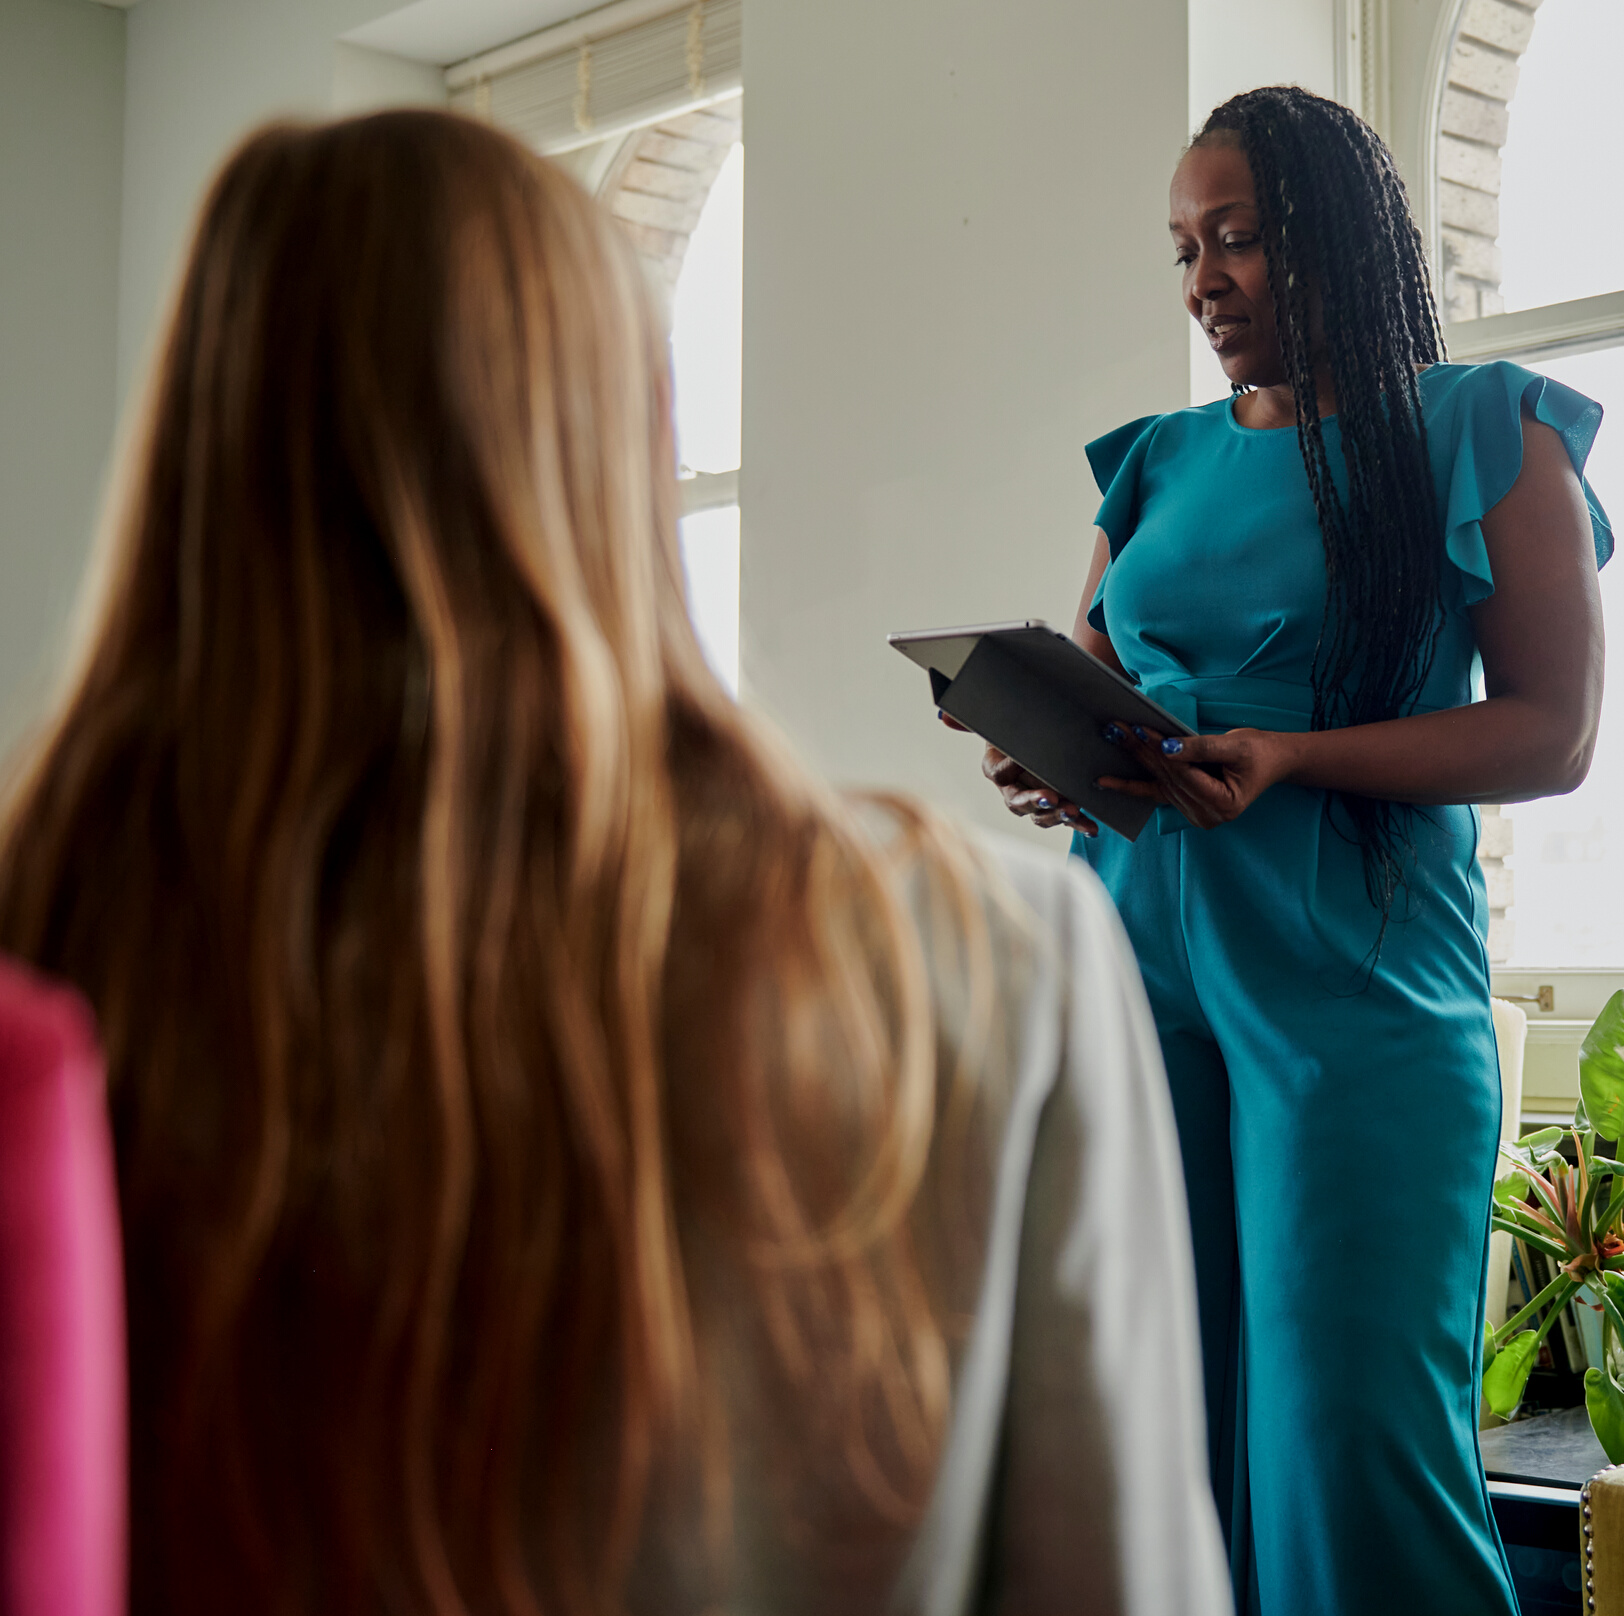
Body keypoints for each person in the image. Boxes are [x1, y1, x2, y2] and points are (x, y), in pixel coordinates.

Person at [0, 109, 1230, 1616]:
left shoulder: (48, 942)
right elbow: (1116, 1580)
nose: (1207, 276)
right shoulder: (991, 954)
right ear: (628, 441)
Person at [957, 85, 1612, 1615]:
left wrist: (1298, 757)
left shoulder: (1486, 431)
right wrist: (1048, 754)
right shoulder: (1156, 464)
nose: (1206, 284)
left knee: (1348, 1446)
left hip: (1363, 985)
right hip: (1131, 968)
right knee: (1153, 1429)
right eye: (1185, 250)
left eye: (1239, 240)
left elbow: (1554, 732)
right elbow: (1097, 670)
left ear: (1341, 240)